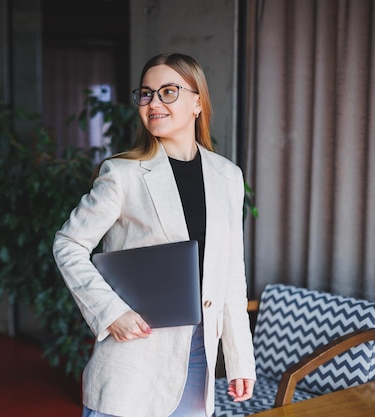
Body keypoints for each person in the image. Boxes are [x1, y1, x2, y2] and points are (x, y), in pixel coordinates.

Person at [52, 53, 256, 417]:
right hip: (134, 355)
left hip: (199, 358)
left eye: (168, 92)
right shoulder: (123, 173)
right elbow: (68, 244)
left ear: (197, 102)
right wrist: (111, 312)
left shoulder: (228, 176)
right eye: (146, 94)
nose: (154, 103)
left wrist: (240, 359)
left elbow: (230, 274)